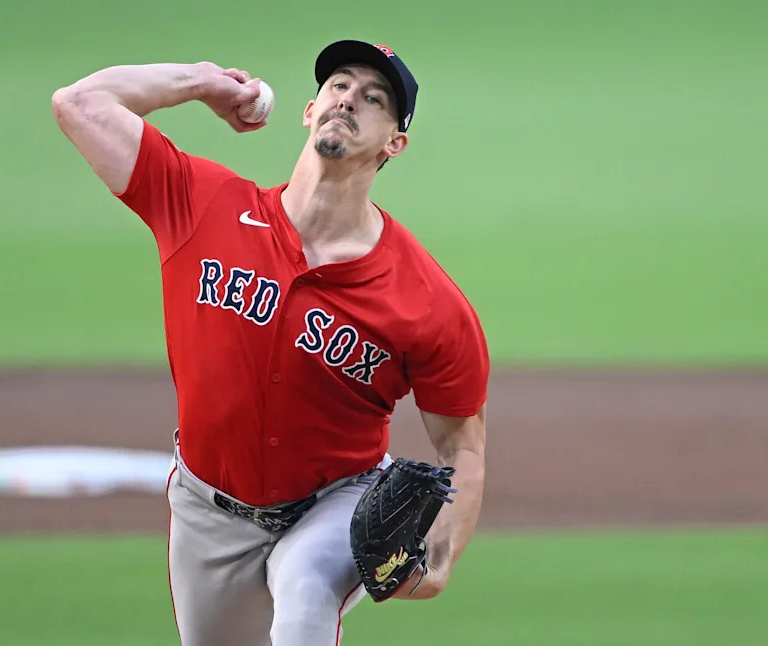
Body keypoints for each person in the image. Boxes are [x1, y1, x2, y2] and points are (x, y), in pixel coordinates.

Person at [51, 39, 490, 646]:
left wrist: (436, 566)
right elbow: (80, 103)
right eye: (339, 86)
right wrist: (202, 82)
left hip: (338, 501)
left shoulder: (427, 300)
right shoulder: (202, 206)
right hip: (207, 511)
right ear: (310, 110)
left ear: (396, 143)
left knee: (308, 589)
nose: (349, 100)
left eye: (374, 98)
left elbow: (462, 447)